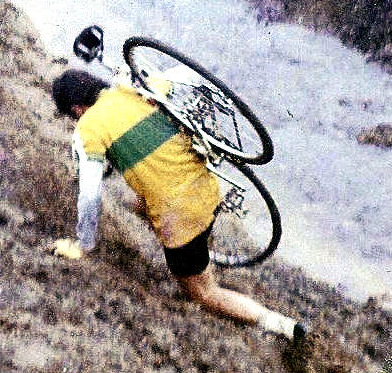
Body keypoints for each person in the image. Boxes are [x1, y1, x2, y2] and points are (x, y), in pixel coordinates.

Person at [50, 68, 308, 346]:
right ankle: (200, 244)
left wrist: (83, 245)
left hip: (181, 217)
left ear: (76, 108)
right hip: (208, 190)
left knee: (204, 293)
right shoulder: (133, 89)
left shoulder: (88, 128)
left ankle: (282, 325)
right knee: (137, 203)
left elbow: (90, 195)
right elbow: (181, 75)